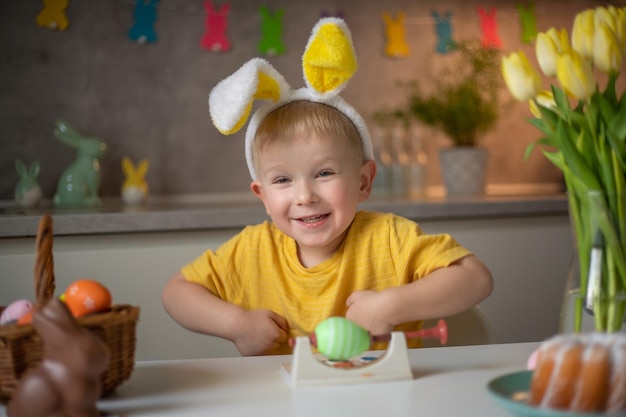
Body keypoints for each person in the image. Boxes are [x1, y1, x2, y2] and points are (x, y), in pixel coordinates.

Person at [161, 18, 493, 357]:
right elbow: (176, 292)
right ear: (262, 196)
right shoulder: (252, 251)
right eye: (282, 180)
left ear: (363, 181)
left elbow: (476, 279)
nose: (305, 196)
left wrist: (390, 306)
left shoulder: (391, 240)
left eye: (323, 173)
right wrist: (236, 324)